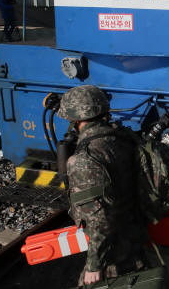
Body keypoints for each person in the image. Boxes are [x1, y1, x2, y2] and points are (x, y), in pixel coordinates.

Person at [59, 85, 150, 286]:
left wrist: (94, 266)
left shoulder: (84, 159)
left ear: (75, 120)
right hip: (134, 235)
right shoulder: (121, 138)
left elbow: (100, 219)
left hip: (114, 254)